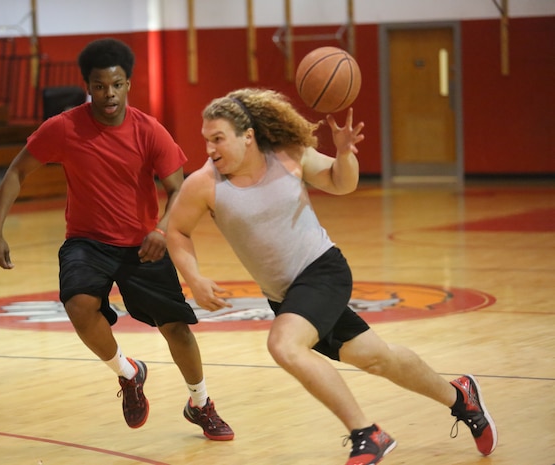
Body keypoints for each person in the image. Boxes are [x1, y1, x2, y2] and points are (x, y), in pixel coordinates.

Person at [165, 88, 497, 464]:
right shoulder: (204, 184)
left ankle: (367, 434)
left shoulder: (288, 156)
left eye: (218, 139)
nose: (209, 149)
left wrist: (344, 153)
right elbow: (177, 231)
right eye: (206, 140)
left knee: (285, 346)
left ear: (248, 136)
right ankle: (461, 396)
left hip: (323, 270)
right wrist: (194, 277)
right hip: (287, 296)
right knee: (378, 359)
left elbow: (343, 183)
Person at [0, 38, 233, 441]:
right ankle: (128, 373)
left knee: (177, 328)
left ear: (128, 84)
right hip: (86, 242)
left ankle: (200, 403)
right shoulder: (64, 127)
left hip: (142, 243)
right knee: (79, 306)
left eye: (117, 85)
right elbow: (17, 170)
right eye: (100, 86)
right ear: (88, 85)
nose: (109, 94)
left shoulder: (148, 130)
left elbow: (179, 189)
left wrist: (161, 230)